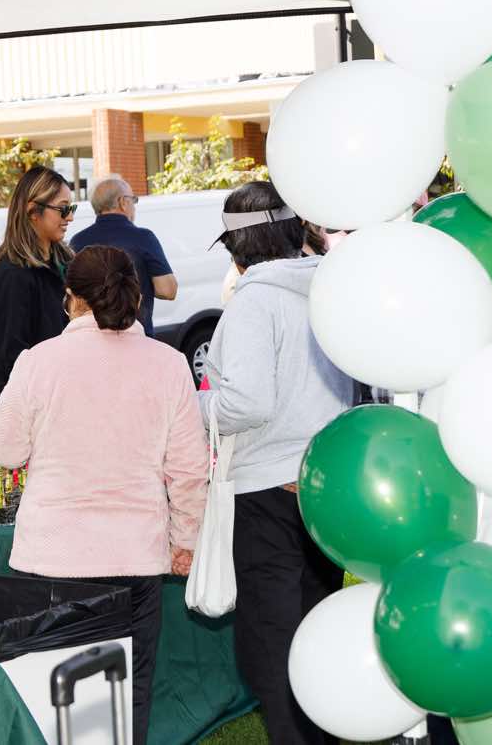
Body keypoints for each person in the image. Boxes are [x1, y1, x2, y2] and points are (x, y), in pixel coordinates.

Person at [0, 246, 207, 745]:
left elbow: (3, 450)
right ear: (136, 296)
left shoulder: (39, 361)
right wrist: (185, 539)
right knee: (130, 693)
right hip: (134, 556)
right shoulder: (169, 364)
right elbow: (189, 470)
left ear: (72, 298)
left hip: (52, 557)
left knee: (55, 698)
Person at [197, 181, 352, 745]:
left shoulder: (255, 301)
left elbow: (247, 403)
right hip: (326, 488)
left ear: (239, 246)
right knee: (315, 641)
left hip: (267, 492)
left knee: (273, 650)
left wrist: (192, 406)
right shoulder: (331, 289)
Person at [0, 165, 73, 404]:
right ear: (33, 211)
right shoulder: (11, 278)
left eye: (71, 208)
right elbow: (11, 361)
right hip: (37, 410)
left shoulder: (67, 264)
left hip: (69, 403)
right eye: (63, 209)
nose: (70, 217)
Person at [69, 176, 177, 337]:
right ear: (122, 202)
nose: (134, 206)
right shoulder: (143, 238)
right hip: (134, 336)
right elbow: (168, 290)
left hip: (89, 338)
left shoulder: (77, 241)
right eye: (133, 200)